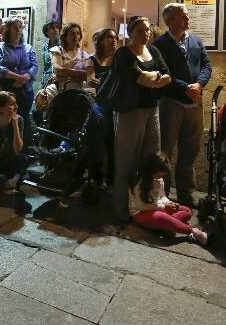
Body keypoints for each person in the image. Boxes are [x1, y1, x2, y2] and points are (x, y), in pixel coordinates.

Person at [153, 3, 212, 207]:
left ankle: (187, 194)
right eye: (183, 16)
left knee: (190, 150)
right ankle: (164, 194)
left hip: (195, 103)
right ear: (170, 21)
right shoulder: (159, 44)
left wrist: (199, 84)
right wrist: (185, 87)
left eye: (187, 15)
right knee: (166, 151)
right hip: (171, 102)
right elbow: (163, 71)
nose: (188, 19)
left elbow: (206, 64)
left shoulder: (195, 40)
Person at [113, 16, 171, 219]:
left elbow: (168, 76)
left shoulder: (154, 51)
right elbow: (138, 78)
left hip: (152, 109)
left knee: (151, 157)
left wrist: (152, 79)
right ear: (130, 33)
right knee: (126, 159)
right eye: (140, 31)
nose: (145, 34)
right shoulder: (123, 53)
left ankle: (148, 201)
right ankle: (121, 206)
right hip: (131, 111)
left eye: (147, 30)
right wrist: (155, 79)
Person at [129, 152, 208, 245]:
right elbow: (141, 206)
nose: (160, 178)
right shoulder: (139, 183)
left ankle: (167, 225)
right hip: (140, 214)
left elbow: (162, 196)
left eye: (162, 176)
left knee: (187, 211)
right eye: (158, 176)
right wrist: (161, 207)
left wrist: (169, 203)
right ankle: (193, 231)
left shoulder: (159, 180)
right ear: (151, 171)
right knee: (160, 216)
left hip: (157, 208)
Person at [0, 17, 39, 127]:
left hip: (25, 90)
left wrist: (24, 78)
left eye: (20, 27)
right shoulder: (0, 47)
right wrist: (17, 77)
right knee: (6, 121)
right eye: (15, 27)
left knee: (24, 119)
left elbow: (34, 66)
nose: (18, 30)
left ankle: (24, 143)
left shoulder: (28, 48)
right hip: (6, 90)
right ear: (8, 29)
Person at [90, 28, 119, 185]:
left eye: (115, 37)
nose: (113, 40)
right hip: (101, 104)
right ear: (101, 41)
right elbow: (90, 79)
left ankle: (112, 179)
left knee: (114, 144)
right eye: (109, 37)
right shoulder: (93, 60)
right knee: (100, 142)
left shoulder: (120, 59)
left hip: (116, 105)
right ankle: (97, 177)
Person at [50, 22, 94, 91]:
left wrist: (64, 77)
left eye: (78, 33)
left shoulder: (84, 55)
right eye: (72, 34)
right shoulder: (58, 50)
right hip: (59, 92)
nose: (76, 36)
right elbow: (57, 69)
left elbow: (88, 74)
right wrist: (79, 74)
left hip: (77, 93)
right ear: (65, 36)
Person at [41, 19, 60, 86]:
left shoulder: (62, 46)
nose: (55, 30)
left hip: (57, 81)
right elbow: (46, 66)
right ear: (46, 31)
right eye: (52, 27)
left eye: (57, 27)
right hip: (46, 80)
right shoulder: (45, 47)